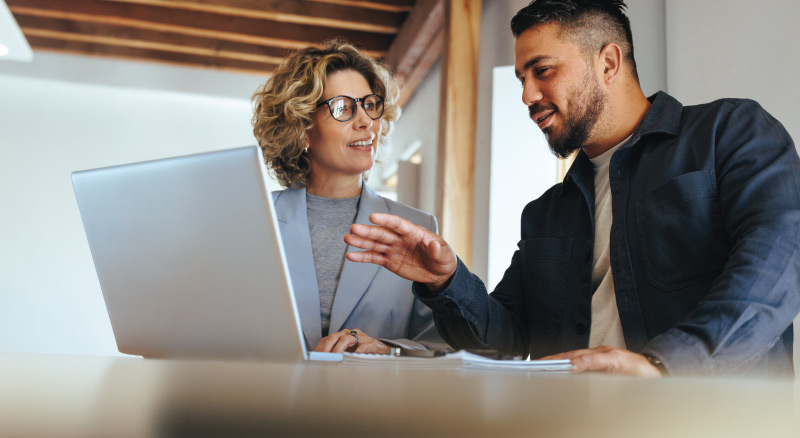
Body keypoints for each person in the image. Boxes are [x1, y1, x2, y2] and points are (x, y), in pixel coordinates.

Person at [344, 0, 800, 377]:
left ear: (608, 62)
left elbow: (780, 257)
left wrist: (664, 366)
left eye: (542, 71)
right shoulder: (546, 212)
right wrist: (446, 281)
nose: (526, 95)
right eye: (522, 78)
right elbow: (506, 339)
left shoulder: (728, 131)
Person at [251, 40, 447, 355]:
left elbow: (443, 345)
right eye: (343, 108)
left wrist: (388, 349)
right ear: (303, 127)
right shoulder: (253, 220)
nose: (366, 121)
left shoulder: (416, 227)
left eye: (370, 105)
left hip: (372, 403)